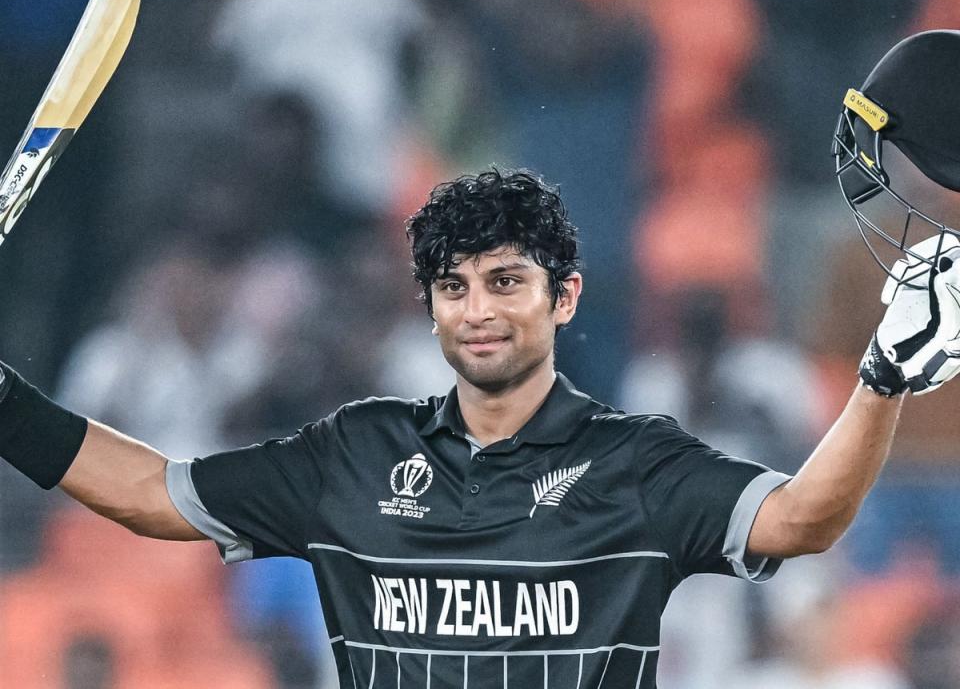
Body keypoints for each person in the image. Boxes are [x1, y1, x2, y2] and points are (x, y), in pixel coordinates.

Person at [3, 36, 960, 687]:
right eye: (454, 287)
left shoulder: (638, 465)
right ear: (428, 307)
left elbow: (804, 517)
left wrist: (879, 378)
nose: (479, 310)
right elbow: (149, 490)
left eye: (507, 281)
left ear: (565, 297)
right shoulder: (354, 454)